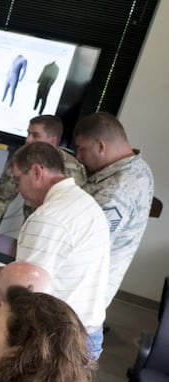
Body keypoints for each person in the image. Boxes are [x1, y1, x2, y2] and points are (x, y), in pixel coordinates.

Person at [0, 141, 110, 359]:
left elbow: (24, 292)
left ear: (37, 172)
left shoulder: (48, 218)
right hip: (86, 335)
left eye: (18, 179)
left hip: (59, 340)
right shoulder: (83, 202)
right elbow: (42, 273)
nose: (18, 189)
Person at [74, 112, 154, 308]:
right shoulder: (138, 167)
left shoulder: (117, 190)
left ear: (101, 146)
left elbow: (86, 250)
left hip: (80, 296)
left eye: (81, 148)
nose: (78, 156)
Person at [0, 115, 86, 232]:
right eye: (28, 134)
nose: (28, 139)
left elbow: (75, 209)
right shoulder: (22, 155)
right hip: (30, 225)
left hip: (58, 231)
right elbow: (5, 193)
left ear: (52, 140)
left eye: (35, 135)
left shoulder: (72, 168)